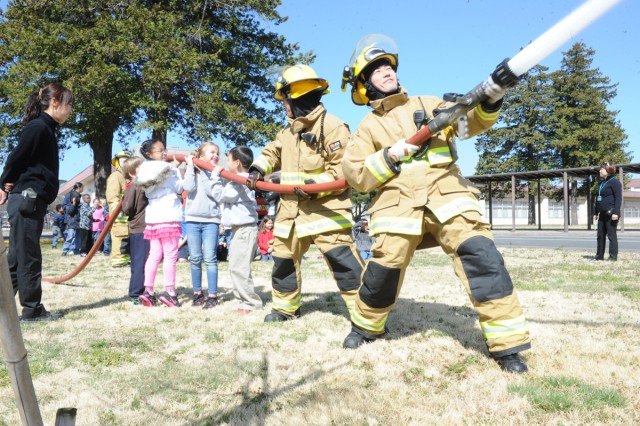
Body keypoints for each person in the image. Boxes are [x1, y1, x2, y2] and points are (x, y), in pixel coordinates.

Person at [340, 34, 530, 373]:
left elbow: (469, 123)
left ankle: (508, 347)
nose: (386, 71)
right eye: (376, 69)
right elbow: (356, 175)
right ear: (364, 84)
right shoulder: (368, 126)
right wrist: (390, 155)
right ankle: (365, 328)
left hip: (449, 196)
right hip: (397, 207)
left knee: (483, 259)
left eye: (388, 65)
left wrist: (493, 96)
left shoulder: (428, 104)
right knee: (383, 272)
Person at [247, 64, 364, 322]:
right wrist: (257, 168)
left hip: (325, 213)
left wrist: (312, 188)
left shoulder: (333, 127)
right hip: (290, 215)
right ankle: (285, 308)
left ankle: (366, 316)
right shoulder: (286, 132)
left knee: (345, 265)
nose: (283, 105)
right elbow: (272, 153)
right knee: (283, 263)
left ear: (295, 97)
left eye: (285, 99)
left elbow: (342, 172)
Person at [0, 82, 73, 321]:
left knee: (17, 257)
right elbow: (16, 157)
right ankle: (32, 310)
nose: (70, 110)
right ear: (54, 102)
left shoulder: (45, 128)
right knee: (29, 256)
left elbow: (25, 163)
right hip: (27, 202)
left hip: (28, 200)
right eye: (68, 104)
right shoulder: (38, 127)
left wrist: (11, 180)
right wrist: (3, 183)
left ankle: (2, 306)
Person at [135, 139, 184, 307]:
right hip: (169, 214)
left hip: (153, 216)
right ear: (150, 153)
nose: (164, 153)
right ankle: (170, 292)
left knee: (154, 255)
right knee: (170, 255)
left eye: (165, 149)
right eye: (160, 150)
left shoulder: (144, 170)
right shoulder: (167, 169)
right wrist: (177, 169)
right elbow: (179, 187)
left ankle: (148, 290)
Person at [221, 146, 263, 314]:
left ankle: (251, 303)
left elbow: (223, 196)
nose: (227, 163)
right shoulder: (239, 178)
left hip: (246, 229)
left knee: (240, 267)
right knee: (235, 265)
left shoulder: (241, 179)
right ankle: (242, 300)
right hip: (239, 228)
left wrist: (217, 177)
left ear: (237, 162)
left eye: (229, 159)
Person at [183, 142, 224, 309]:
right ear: (200, 157)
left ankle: (212, 295)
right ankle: (197, 293)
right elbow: (188, 187)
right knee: (194, 258)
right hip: (193, 218)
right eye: (211, 152)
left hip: (211, 220)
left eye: (217, 152)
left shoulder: (217, 173)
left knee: (210, 258)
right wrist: (190, 168)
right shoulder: (192, 170)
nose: (215, 155)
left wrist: (212, 173)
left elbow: (212, 193)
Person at [121, 156, 150, 304]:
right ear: (132, 173)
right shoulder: (135, 187)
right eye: (141, 166)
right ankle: (136, 293)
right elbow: (127, 209)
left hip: (139, 228)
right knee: (140, 262)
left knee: (140, 262)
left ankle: (139, 290)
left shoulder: (140, 185)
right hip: (140, 228)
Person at [106, 149, 132, 267]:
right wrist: (118, 211)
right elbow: (112, 196)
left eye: (127, 160)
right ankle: (118, 261)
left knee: (126, 238)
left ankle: (125, 259)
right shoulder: (115, 176)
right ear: (117, 162)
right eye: (123, 160)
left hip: (128, 214)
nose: (125, 162)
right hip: (119, 215)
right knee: (119, 236)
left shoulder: (128, 177)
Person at [593, 162, 623, 261]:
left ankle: (613, 257)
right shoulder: (601, 183)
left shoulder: (615, 182)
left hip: (611, 213)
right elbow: (598, 198)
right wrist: (595, 212)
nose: (600, 171)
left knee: (611, 235)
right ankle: (599, 256)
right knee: (600, 235)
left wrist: (616, 212)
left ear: (608, 170)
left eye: (602, 169)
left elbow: (618, 198)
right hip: (602, 213)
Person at [61, 182, 82, 255]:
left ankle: (76, 250)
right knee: (70, 236)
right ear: (79, 187)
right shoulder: (70, 195)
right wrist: (73, 204)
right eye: (82, 187)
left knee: (78, 237)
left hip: (78, 219)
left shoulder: (79, 196)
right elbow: (68, 209)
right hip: (72, 219)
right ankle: (65, 250)